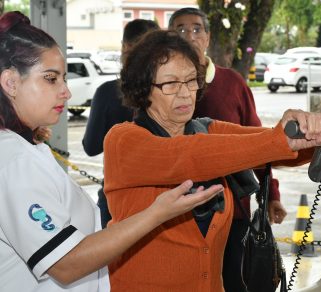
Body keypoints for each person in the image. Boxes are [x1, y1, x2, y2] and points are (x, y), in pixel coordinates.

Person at [103, 29, 321, 291]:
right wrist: (279, 139)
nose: (184, 92)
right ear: (143, 89)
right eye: (170, 83)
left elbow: (273, 148)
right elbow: (189, 157)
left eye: (191, 80)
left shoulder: (207, 129)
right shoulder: (124, 141)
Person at [0, 11, 224, 291]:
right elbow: (66, 263)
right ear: (10, 83)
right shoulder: (12, 161)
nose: (66, 92)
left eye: (64, 78)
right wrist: (157, 214)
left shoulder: (28, 148)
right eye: (50, 78)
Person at [168, 8, 286, 291]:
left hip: (234, 211)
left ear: (207, 37)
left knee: (234, 281)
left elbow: (259, 142)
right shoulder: (159, 84)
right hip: (177, 213)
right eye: (180, 29)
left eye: (197, 29)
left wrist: (272, 194)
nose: (189, 35)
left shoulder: (231, 82)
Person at [83, 19, 159, 228]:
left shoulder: (108, 92)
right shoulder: (168, 91)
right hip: (162, 197)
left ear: (125, 47)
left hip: (117, 195)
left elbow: (90, 147)